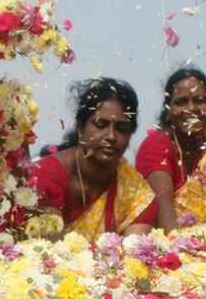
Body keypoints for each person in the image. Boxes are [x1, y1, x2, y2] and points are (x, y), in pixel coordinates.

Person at [32, 78, 155, 240]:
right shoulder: (46, 174)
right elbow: (50, 249)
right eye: (100, 124)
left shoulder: (137, 194)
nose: (111, 136)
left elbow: (137, 253)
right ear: (80, 128)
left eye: (122, 128)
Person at [134, 67, 206, 230]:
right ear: (168, 109)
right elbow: (164, 211)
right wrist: (182, 250)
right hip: (169, 243)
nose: (191, 108)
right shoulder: (157, 145)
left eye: (199, 100)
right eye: (181, 102)